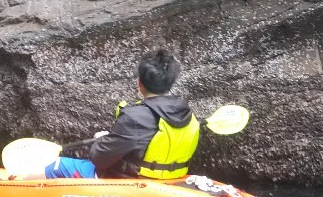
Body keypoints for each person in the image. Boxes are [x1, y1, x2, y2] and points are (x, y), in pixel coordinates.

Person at [26, 49, 200, 180]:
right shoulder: (186, 113)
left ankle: (14, 183)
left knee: (59, 165)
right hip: (171, 178)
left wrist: (103, 139)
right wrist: (114, 138)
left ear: (139, 83)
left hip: (130, 181)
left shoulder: (136, 118)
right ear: (170, 83)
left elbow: (99, 159)